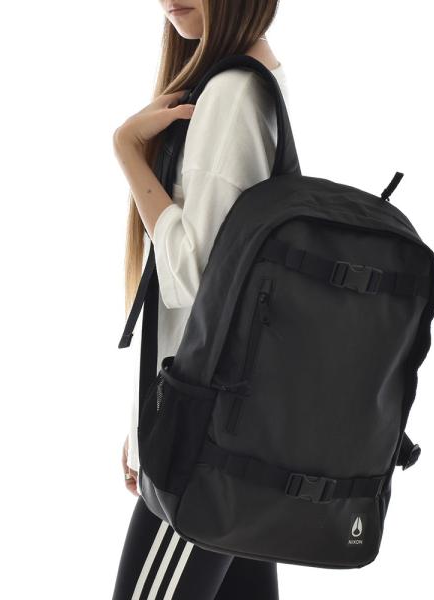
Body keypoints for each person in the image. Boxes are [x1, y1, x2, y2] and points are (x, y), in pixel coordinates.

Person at [111, 1, 287, 597]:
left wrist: (129, 153)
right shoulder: (248, 81)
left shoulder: (233, 93)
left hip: (204, 444)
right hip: (227, 431)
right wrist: (146, 419)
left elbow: (196, 277)